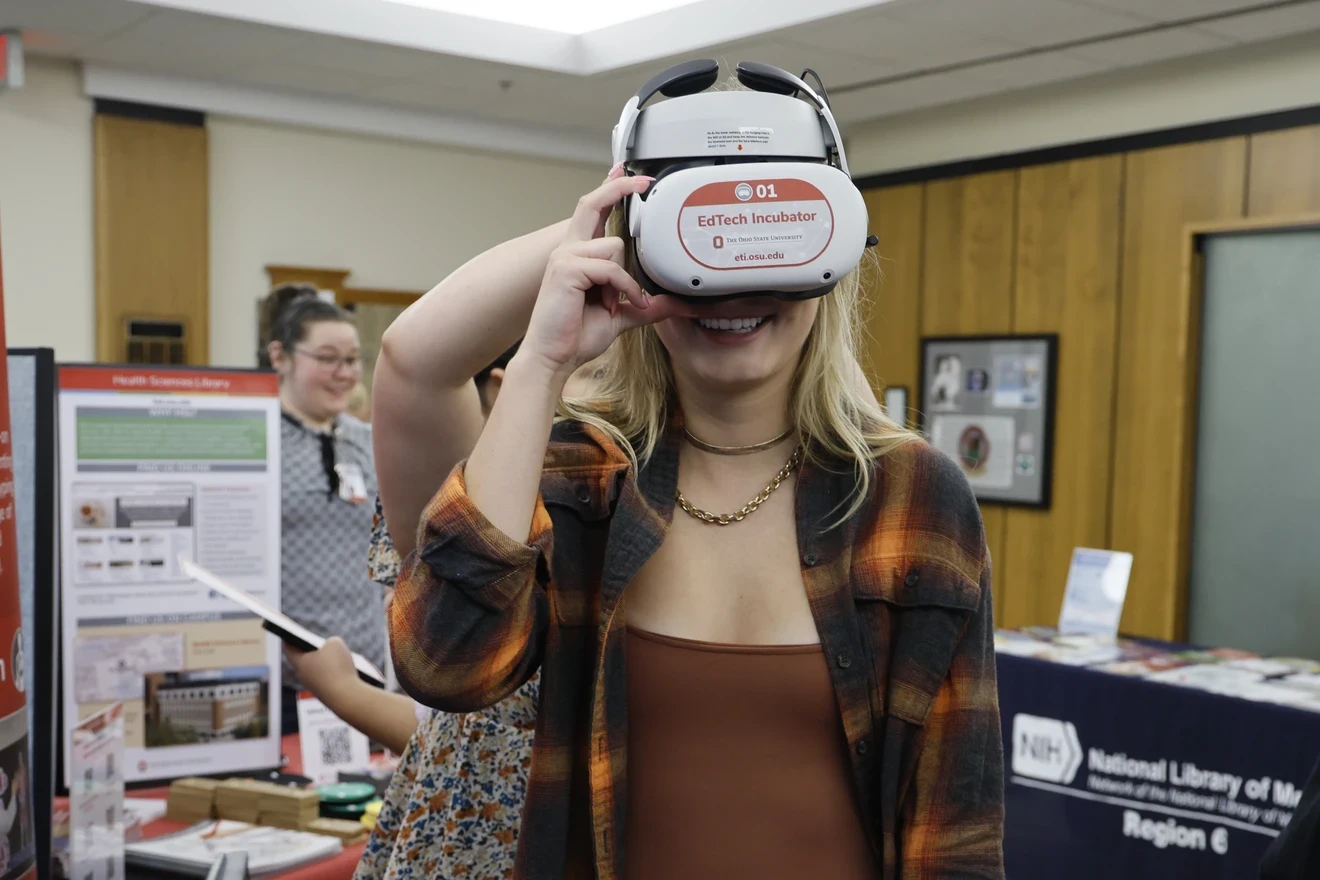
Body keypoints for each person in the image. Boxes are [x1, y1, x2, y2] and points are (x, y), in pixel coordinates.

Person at [384, 68, 1004, 880]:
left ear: (834, 251)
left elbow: (956, 826)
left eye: (773, 234)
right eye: (701, 246)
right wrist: (541, 360)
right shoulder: (581, 478)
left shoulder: (910, 493)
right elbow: (447, 665)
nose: (734, 289)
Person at [265, 286, 387, 734]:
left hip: (366, 675)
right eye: (328, 358)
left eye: (353, 359)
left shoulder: (369, 441)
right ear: (280, 356)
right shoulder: (256, 443)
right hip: (281, 681)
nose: (344, 373)